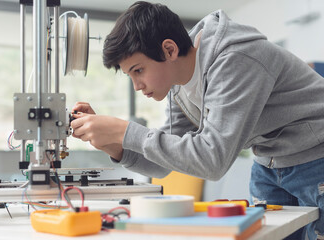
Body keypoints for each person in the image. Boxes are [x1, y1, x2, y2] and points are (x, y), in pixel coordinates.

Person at [70, 1, 324, 239]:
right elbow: (166, 163)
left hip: (316, 158)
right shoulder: (179, 83)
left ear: (169, 49)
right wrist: (114, 143)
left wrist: (125, 131)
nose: (137, 86)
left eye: (139, 70)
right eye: (130, 75)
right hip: (268, 164)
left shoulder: (235, 58)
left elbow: (212, 161)